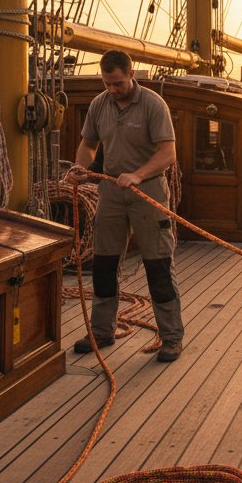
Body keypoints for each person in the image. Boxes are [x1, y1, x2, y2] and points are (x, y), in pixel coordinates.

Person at [67, 50, 184, 362]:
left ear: (132, 74)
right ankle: (102, 332)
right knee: (104, 265)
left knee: (158, 266)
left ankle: (171, 338)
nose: (113, 89)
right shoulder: (98, 104)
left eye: (118, 83)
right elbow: (89, 144)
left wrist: (138, 175)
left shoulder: (152, 105)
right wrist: (81, 166)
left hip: (148, 193)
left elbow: (168, 153)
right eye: (107, 84)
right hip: (111, 194)